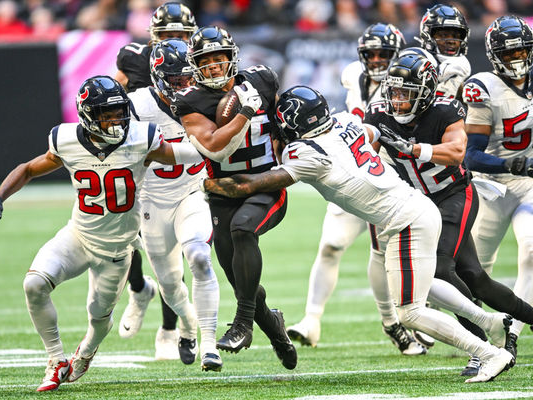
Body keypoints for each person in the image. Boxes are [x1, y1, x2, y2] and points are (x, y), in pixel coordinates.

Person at [202, 85, 514, 383]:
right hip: (413, 209)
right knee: (422, 285)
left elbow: (249, 186)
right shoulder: (346, 120)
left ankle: (486, 352)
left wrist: (206, 183)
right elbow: (365, 138)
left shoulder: (306, 153)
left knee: (409, 312)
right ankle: (490, 322)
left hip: (406, 220)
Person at [0, 76, 204, 392]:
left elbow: (185, 154)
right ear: (87, 115)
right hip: (78, 236)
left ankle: (85, 351)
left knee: (98, 319)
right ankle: (56, 360)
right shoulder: (66, 139)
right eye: (107, 114)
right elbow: (29, 168)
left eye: (119, 112)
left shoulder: (141, 137)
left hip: (116, 251)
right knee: (34, 284)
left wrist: (219, 149)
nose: (117, 120)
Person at [365, 51, 533, 376]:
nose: (398, 101)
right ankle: (518, 320)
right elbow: (366, 152)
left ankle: (481, 344)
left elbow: (457, 153)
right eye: (394, 93)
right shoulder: (379, 115)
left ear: (426, 91)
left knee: (441, 269)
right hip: (419, 204)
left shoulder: (445, 110)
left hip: (455, 194)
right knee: (475, 278)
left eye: (406, 94)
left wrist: (414, 149)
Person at [286, 23, 430, 356]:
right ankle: (311, 319)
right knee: (331, 245)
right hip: (348, 169)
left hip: (387, 178)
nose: (377, 60)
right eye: (371, 54)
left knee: (384, 253)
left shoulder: (405, 86)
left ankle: (394, 322)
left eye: (384, 54)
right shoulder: (353, 74)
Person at [172, 26, 297, 369]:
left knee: (244, 230)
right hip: (224, 193)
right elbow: (213, 145)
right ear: (195, 65)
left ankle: (242, 323)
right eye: (205, 61)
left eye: (219, 58)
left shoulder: (264, 79)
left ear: (231, 58)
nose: (213, 66)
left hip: (265, 186)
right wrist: (244, 112)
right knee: (240, 277)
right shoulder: (190, 101)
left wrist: (288, 150)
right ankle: (276, 331)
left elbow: (288, 123)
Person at [126, 38, 222, 371]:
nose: (185, 86)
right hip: (152, 201)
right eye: (178, 80)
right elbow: (138, 153)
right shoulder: (136, 104)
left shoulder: (210, 97)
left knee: (199, 257)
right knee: (170, 282)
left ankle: (209, 345)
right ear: (158, 76)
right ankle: (187, 324)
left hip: (191, 194)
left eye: (189, 79)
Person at [114, 2, 197, 361]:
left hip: (182, 158)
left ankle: (168, 328)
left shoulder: (199, 63)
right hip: (141, 156)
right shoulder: (133, 58)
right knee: (122, 235)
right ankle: (137, 290)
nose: (174, 41)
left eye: (181, 36)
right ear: (152, 36)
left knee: (172, 251)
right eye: (167, 35)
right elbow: (113, 96)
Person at [462, 15, 533, 368]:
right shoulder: (483, 87)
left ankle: (514, 334)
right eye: (510, 52)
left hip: (529, 186)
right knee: (475, 273)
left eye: (523, 49)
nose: (518, 57)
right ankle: (480, 344)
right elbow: (471, 154)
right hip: (492, 186)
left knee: (531, 249)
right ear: (494, 56)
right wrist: (511, 165)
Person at [418, 4, 471, 99]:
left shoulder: (463, 72)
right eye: (443, 35)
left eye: (455, 36)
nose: (451, 41)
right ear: (428, 36)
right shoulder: (416, 63)